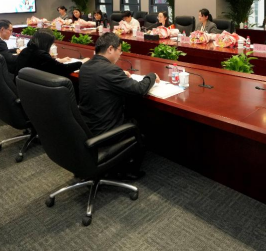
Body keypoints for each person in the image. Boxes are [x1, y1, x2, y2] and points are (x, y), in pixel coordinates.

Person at [78, 33, 159, 180]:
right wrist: (152, 76)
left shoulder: (86, 66)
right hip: (104, 130)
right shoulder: (110, 70)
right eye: (119, 50)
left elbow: (102, 81)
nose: (120, 55)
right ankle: (129, 170)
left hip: (86, 127)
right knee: (136, 125)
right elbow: (139, 89)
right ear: (110, 49)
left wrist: (120, 75)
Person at [15, 29, 84, 79]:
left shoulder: (25, 51)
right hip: (41, 90)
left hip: (25, 89)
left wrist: (58, 60)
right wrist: (81, 62)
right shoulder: (41, 55)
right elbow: (63, 69)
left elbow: (45, 63)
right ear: (46, 43)